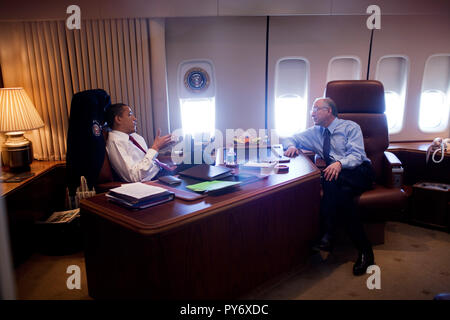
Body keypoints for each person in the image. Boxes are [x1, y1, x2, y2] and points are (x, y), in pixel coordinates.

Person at [283, 97, 376, 276]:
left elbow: (357, 155)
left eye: (316, 109)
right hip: (339, 179)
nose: (312, 113)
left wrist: (339, 163)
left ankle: (327, 234)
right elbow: (288, 138)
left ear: (329, 111)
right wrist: (292, 146)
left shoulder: (350, 127)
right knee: (342, 193)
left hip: (360, 171)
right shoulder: (315, 132)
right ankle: (365, 251)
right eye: (312, 109)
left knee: (329, 178)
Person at [105, 103, 175, 182]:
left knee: (188, 159)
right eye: (129, 115)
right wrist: (155, 148)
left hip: (160, 171)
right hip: (151, 180)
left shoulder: (135, 137)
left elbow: (144, 161)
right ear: (118, 119)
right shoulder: (115, 142)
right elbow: (134, 176)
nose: (135, 119)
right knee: (189, 164)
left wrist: (159, 147)